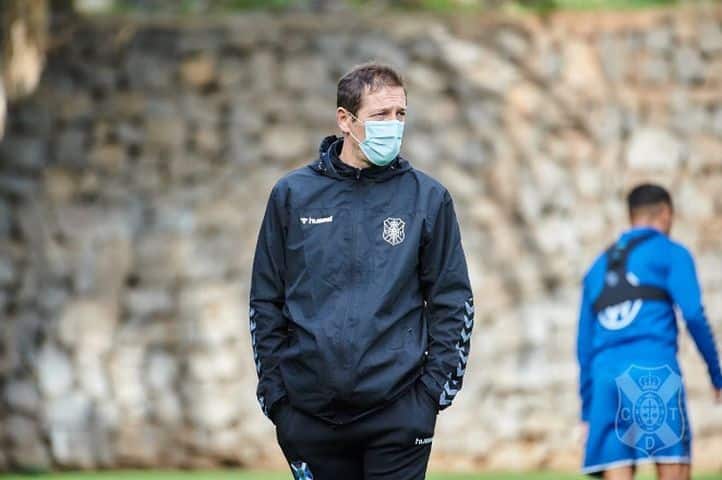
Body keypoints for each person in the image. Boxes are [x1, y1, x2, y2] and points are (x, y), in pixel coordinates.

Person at [249, 62, 474, 480]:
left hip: (399, 415)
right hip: (309, 418)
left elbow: (452, 300)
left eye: (400, 114)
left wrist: (429, 398)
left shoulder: (428, 199)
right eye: (380, 115)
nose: (393, 125)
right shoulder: (292, 196)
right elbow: (265, 300)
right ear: (345, 120)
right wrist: (278, 400)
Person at [577, 183, 722, 480]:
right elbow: (693, 314)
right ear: (666, 214)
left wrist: (587, 411)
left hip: (605, 381)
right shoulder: (671, 253)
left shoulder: (596, 268)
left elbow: (583, 347)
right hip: (653, 372)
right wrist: (716, 374)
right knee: (674, 469)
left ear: (631, 216)